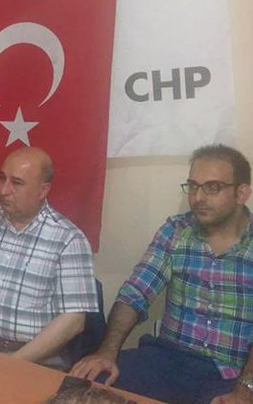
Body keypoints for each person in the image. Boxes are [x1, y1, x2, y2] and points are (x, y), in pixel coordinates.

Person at [70, 144, 253, 404]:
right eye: (193, 186)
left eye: (213, 187)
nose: (198, 197)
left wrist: (246, 389)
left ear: (241, 193)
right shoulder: (176, 231)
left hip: (231, 374)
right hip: (167, 360)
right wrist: (107, 352)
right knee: (87, 385)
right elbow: (135, 293)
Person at [0, 146, 98, 370]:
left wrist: (12, 362)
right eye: (2, 178)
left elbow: (73, 320)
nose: (4, 190)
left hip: (36, 359)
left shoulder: (68, 239)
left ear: (42, 190)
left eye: (16, 183)